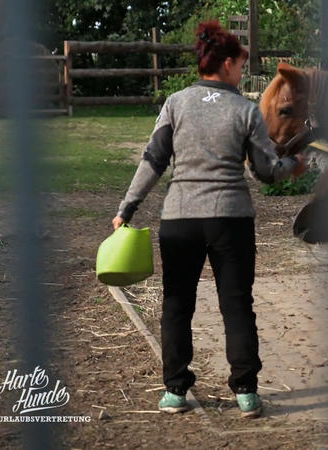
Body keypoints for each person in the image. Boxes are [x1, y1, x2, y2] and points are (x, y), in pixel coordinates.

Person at [112, 20, 304, 418]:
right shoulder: (245, 110)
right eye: (240, 64)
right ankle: (246, 391)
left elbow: (153, 161)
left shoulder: (175, 104)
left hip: (180, 218)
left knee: (177, 304)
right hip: (230, 220)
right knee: (236, 305)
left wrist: (126, 208)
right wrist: (294, 164)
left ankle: (175, 391)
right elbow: (266, 171)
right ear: (228, 64)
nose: (240, 71)